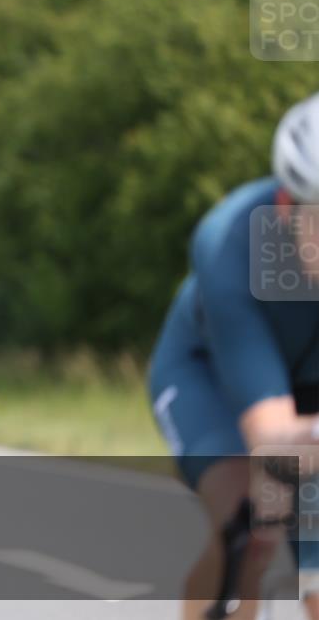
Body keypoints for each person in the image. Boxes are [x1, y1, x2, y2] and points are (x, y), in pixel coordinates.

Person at [148, 92, 319, 620]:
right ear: (286, 206)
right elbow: (272, 439)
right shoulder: (229, 244)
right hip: (213, 378)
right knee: (253, 525)